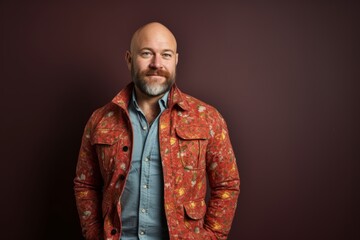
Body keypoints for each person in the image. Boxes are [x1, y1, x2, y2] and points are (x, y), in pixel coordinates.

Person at [74, 22, 240, 240]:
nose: (156, 64)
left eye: (166, 55)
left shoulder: (208, 118)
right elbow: (85, 184)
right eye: (146, 53)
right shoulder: (100, 120)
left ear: (176, 60)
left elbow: (226, 185)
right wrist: (94, 234)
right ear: (129, 59)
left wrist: (213, 237)